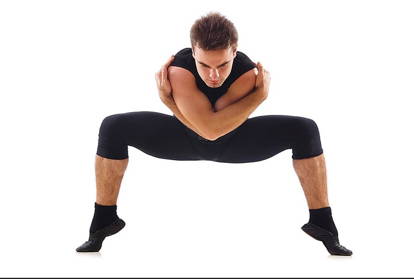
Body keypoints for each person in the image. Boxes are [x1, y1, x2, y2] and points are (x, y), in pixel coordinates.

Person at [76, 12, 352, 256]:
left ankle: (322, 223)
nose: (214, 76)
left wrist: (255, 97)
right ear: (194, 51)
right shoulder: (178, 69)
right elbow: (208, 129)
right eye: (205, 66)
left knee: (305, 129)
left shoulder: (246, 72)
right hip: (183, 137)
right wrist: (256, 98)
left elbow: (213, 132)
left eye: (222, 66)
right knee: (112, 126)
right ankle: (104, 220)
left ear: (234, 51)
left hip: (237, 141)